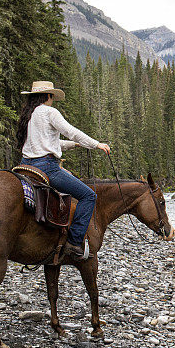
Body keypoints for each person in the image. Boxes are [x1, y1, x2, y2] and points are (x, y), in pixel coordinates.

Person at [17, 81, 110, 259]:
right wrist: (96, 144)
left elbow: (47, 142)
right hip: (47, 168)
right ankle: (74, 242)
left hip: (25, 166)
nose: (53, 99)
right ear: (48, 96)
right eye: (52, 96)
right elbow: (71, 131)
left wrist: (74, 145)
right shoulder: (50, 112)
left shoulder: (28, 114)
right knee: (88, 195)